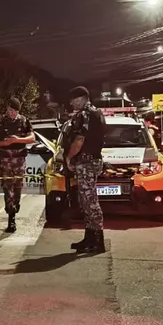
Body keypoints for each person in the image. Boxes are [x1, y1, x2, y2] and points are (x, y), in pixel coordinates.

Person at [61, 86, 107, 254]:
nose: (71, 103)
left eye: (73, 99)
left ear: (81, 98)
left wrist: (69, 157)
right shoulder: (96, 113)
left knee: (90, 202)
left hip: (87, 162)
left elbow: (79, 140)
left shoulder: (85, 114)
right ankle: (89, 238)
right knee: (86, 201)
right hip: (91, 161)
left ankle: (97, 240)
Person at [0, 97, 35, 233]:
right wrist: (4, 143)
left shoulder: (24, 121)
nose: (12, 113)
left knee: (18, 187)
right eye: (10, 110)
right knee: (7, 188)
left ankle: (16, 205)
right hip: (5, 160)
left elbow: (32, 138)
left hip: (19, 160)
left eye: (14, 111)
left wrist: (18, 140)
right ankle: (11, 217)